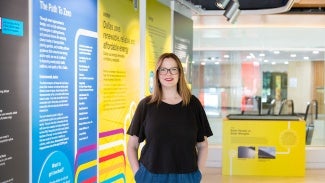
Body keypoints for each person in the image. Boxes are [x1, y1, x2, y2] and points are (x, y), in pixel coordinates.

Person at [127, 53, 213, 183]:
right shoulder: (146, 105)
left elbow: (202, 144)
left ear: (180, 73)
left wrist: (198, 175)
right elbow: (132, 145)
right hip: (151, 176)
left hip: (187, 176)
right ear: (157, 74)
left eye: (173, 69)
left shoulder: (193, 104)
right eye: (163, 70)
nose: (169, 74)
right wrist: (137, 174)